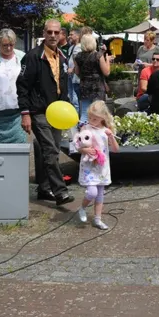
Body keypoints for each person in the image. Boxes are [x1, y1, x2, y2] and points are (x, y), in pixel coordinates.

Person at [17, 19, 75, 205]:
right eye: (49, 32)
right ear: (44, 32)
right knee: (50, 150)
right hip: (39, 111)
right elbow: (22, 86)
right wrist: (25, 113)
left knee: (51, 151)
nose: (52, 35)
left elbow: (63, 85)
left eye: (56, 33)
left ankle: (44, 189)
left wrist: (66, 106)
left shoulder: (63, 57)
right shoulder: (33, 56)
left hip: (57, 112)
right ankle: (60, 192)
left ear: (61, 35)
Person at [75, 101, 119, 230]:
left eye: (95, 118)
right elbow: (77, 146)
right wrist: (84, 150)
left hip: (101, 166)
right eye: (90, 118)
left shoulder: (106, 130)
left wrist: (111, 137)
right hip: (89, 166)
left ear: (102, 118)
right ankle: (82, 208)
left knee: (100, 193)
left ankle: (97, 219)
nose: (91, 121)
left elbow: (116, 149)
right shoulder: (85, 128)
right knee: (92, 192)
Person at [74, 33, 111, 123]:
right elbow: (106, 72)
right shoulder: (98, 55)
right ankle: (97, 134)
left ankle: (82, 134)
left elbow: (77, 72)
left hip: (84, 86)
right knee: (99, 112)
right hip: (97, 87)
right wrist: (108, 61)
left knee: (84, 113)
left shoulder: (78, 56)